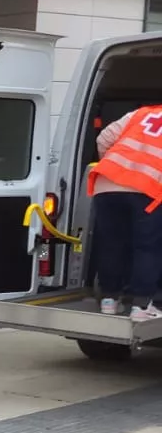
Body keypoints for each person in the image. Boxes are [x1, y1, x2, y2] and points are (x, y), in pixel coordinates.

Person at [90, 105, 162, 321]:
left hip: (107, 183)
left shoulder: (141, 114)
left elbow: (103, 139)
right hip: (146, 189)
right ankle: (141, 306)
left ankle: (109, 301)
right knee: (147, 247)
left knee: (112, 244)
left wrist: (121, 171)